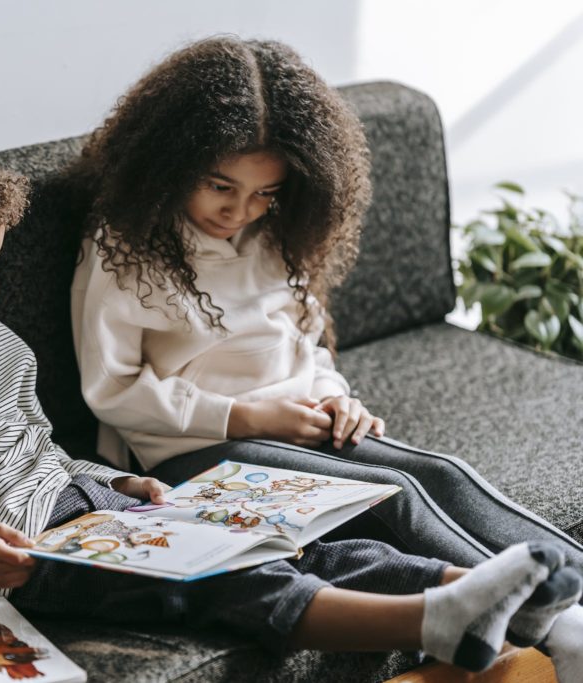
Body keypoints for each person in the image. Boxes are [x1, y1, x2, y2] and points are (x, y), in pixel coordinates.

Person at [0, 106, 581, 677]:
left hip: (91, 507)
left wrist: (116, 481)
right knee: (226, 580)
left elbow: (43, 448)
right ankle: (436, 619)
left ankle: (479, 593)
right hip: (28, 555)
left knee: (288, 542)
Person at [68, 36, 583, 674]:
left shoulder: (273, 234)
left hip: (294, 422)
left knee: (441, 472)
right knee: (389, 494)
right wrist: (252, 419)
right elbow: (111, 391)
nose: (240, 210)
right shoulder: (124, 249)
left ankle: (573, 601)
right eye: (220, 187)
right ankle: (554, 626)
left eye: (265, 193)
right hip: (188, 453)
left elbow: (303, 343)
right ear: (171, 162)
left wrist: (336, 396)